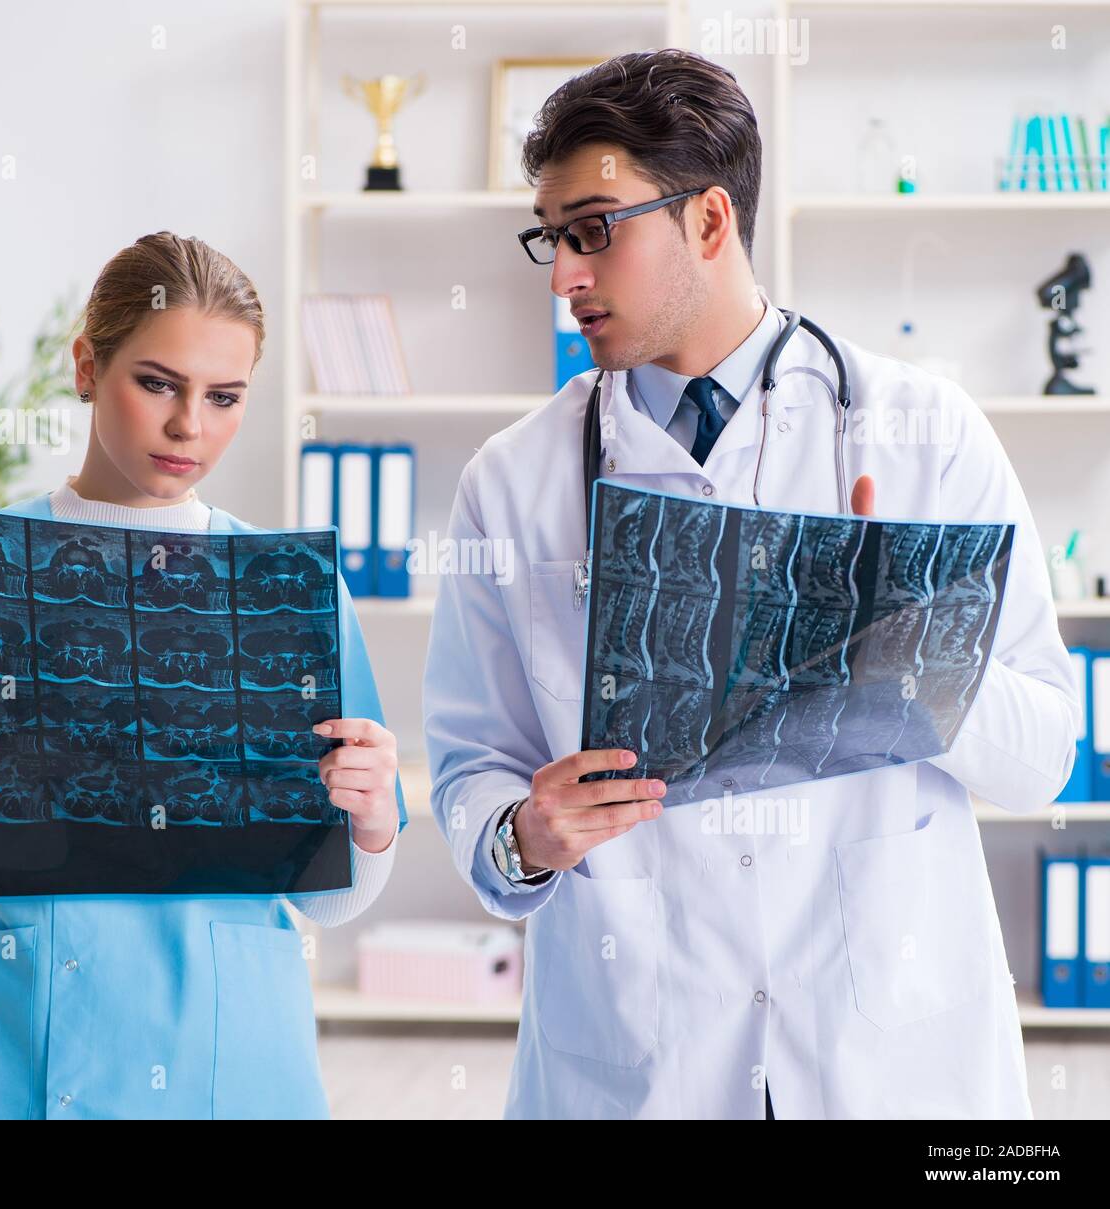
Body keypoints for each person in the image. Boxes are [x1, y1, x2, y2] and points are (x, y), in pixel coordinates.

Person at [422, 49, 1077, 1120]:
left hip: (885, 1060)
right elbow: (468, 769)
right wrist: (522, 837)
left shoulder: (919, 432)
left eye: (593, 230)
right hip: (636, 1054)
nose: (562, 277)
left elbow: (1045, 753)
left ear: (711, 222)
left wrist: (904, 649)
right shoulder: (514, 478)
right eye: (551, 237)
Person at [0, 231, 405, 1120]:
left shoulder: (289, 590)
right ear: (86, 366)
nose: (191, 427)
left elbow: (327, 905)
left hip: (238, 1059)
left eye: (224, 397)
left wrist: (371, 822)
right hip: (22, 1050)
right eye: (157, 383)